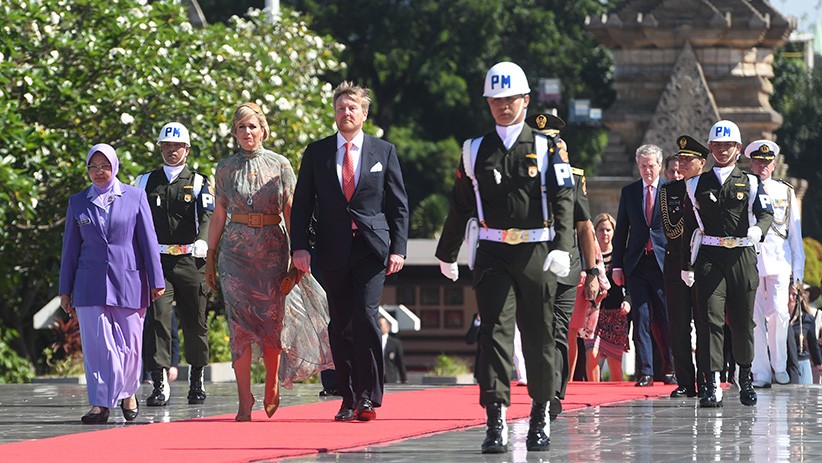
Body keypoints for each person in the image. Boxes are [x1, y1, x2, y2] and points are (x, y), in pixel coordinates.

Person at [436, 61, 576, 454]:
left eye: (510, 98)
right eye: (495, 99)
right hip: (493, 251)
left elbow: (565, 200)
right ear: (488, 102)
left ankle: (540, 414)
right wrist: (447, 253)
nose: (503, 106)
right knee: (494, 335)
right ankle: (495, 417)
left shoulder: (547, 147)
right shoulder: (475, 150)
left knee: (539, 336)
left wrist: (563, 247)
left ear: (526, 100)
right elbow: (461, 203)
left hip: (536, 250)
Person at [206, 102, 333, 421]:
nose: (247, 132)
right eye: (240, 128)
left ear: (263, 130)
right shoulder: (224, 168)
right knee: (239, 326)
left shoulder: (280, 165)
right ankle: (244, 398)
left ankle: (272, 383)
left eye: (252, 126)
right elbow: (219, 214)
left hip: (272, 249)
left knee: (272, 321)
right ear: (234, 133)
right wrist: (210, 257)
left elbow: (292, 211)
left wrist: (297, 253)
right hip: (234, 254)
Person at [291, 82, 409, 423]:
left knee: (366, 317)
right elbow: (302, 205)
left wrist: (398, 249)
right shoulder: (317, 152)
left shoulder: (383, 151)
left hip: (371, 249)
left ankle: (369, 397)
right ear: (335, 112)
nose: (346, 113)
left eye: (352, 108)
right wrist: (300, 246)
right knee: (340, 324)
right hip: (331, 249)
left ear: (364, 113)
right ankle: (347, 397)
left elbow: (398, 206)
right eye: (341, 107)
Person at [59, 143, 165, 424]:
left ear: (114, 167)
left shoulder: (135, 197)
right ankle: (100, 404)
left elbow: (148, 242)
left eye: (104, 166)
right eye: (93, 167)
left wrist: (156, 279)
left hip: (129, 281)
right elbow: (70, 249)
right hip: (89, 284)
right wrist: (64, 289)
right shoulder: (78, 202)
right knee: (98, 348)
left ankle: (128, 393)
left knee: (130, 347)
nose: (99, 172)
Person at [680, 120, 774, 407]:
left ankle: (745, 377)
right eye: (717, 146)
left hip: (743, 256)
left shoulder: (752, 181)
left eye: (728, 146)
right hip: (710, 256)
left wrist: (759, 229)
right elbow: (689, 227)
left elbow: (766, 214)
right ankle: (712, 382)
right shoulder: (696, 183)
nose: (722, 150)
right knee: (710, 321)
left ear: (738, 149)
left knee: (743, 322)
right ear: (710, 148)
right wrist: (687, 264)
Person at [524, 112, 601, 419]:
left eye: (553, 140)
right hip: (533, 265)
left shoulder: (573, 176)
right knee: (537, 330)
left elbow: (584, 227)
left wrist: (592, 270)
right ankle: (542, 387)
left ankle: (553, 393)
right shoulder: (524, 175)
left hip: (566, 267)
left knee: (557, 330)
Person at [136, 122, 213, 406]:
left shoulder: (199, 181)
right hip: (157, 261)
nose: (172, 150)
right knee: (157, 321)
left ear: (187, 149)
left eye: (177, 146)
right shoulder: (145, 182)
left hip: (191, 260)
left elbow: (208, 215)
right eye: (167, 146)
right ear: (160, 148)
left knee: (195, 321)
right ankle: (159, 383)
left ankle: (196, 378)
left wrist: (204, 241)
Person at [612, 144, 673, 387]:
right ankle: (645, 370)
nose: (647, 170)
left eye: (651, 165)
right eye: (643, 166)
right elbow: (621, 231)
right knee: (642, 318)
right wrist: (617, 266)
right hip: (636, 264)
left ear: (660, 166)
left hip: (662, 263)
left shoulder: (670, 191)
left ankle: (670, 368)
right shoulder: (629, 192)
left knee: (666, 319)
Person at [746, 140, 805, 388]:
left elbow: (794, 232)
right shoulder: (745, 187)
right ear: (751, 162)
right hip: (752, 259)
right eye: (758, 162)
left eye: (767, 162)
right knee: (756, 318)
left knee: (780, 314)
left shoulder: (785, 191)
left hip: (780, 260)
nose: (763, 166)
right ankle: (760, 371)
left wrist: (798, 272)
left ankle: (779, 366)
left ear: (774, 164)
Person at [660, 135, 709, 398]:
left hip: (702, 263)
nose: (682, 164)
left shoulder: (711, 187)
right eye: (680, 159)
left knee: (704, 324)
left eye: (688, 159)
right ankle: (685, 381)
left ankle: (706, 379)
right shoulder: (670, 191)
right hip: (675, 261)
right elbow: (671, 228)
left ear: (701, 163)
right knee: (678, 324)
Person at [590, 213, 631, 382]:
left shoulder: (621, 257)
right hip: (594, 314)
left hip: (616, 315)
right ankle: (591, 396)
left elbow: (631, 284)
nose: (604, 234)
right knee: (591, 355)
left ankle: (616, 402)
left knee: (615, 365)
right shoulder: (589, 256)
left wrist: (627, 301)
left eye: (608, 230)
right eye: (601, 230)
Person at [789, 284, 821, 385]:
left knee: (803, 399)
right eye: (788, 294)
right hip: (782, 365)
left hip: (801, 362)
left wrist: (819, 363)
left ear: (801, 297)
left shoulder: (807, 319)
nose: (790, 298)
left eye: (794, 294)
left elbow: (813, 344)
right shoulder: (777, 319)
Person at [379, 317, 407, 384]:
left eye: (380, 325)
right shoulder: (373, 342)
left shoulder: (395, 343)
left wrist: (404, 379)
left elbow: (400, 362)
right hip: (376, 378)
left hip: (390, 378)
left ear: (387, 327)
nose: (378, 327)